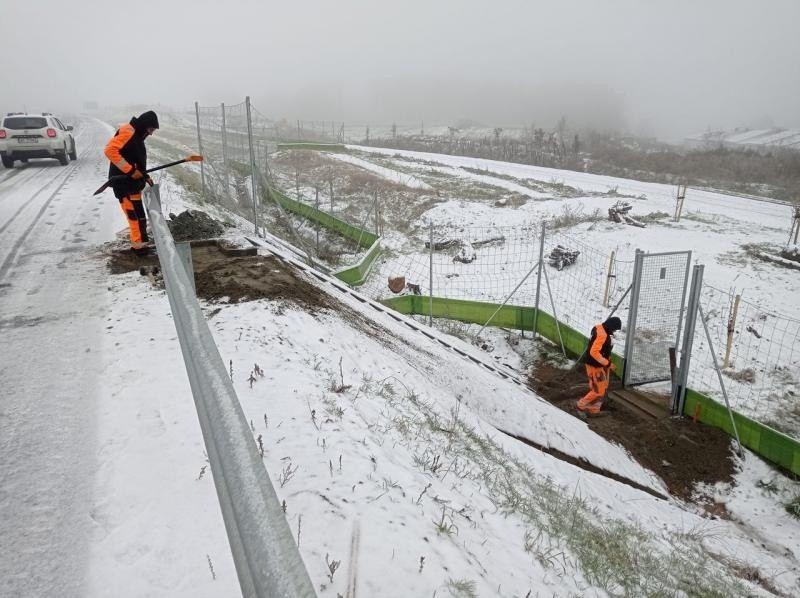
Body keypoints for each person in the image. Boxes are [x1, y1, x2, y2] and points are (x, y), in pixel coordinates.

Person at [104, 110, 159, 255]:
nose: (151, 133)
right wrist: (130, 171)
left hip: (133, 185)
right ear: (144, 125)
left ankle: (142, 245)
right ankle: (139, 249)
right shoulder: (128, 131)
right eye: (151, 129)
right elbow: (110, 151)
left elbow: (134, 160)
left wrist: (144, 176)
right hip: (123, 184)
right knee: (134, 217)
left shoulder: (137, 135)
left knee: (140, 216)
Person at [576, 316, 622, 417]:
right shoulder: (602, 335)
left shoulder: (598, 327)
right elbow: (594, 352)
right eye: (614, 329)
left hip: (596, 365)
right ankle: (581, 406)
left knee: (602, 386)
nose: (614, 331)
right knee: (598, 390)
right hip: (594, 366)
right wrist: (608, 364)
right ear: (611, 326)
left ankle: (594, 408)